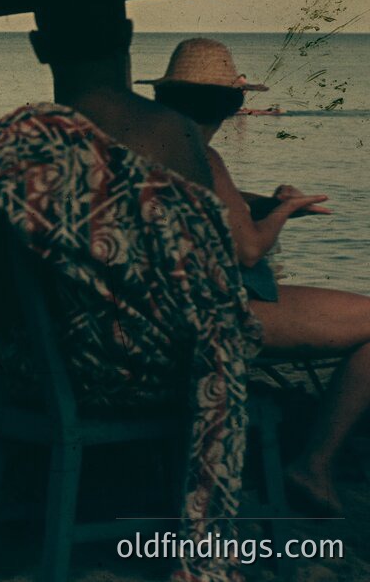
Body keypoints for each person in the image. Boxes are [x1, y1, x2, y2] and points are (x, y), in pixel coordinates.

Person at [0, 0, 258, 582]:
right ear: (128, 37)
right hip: (146, 378)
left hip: (33, 375)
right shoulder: (175, 135)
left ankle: (22, 494)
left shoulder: (11, 146)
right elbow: (206, 275)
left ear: (39, 47)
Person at [142, 37, 370, 515]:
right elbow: (247, 249)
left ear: (164, 98)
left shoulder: (152, 151)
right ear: (232, 103)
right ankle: (313, 464)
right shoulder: (204, 156)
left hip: (163, 314)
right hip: (216, 318)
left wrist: (263, 205)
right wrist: (283, 211)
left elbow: (219, 208)